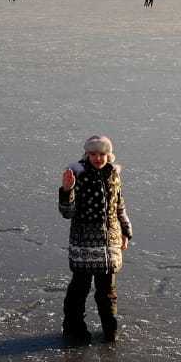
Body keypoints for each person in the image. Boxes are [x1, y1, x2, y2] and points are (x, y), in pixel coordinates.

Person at [58, 135, 133, 344]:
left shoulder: (113, 175)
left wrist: (126, 232)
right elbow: (67, 212)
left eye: (102, 154)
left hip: (109, 245)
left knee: (107, 291)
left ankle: (110, 329)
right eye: (93, 154)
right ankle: (73, 329)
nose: (98, 158)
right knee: (79, 288)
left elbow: (119, 206)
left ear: (108, 155)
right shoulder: (77, 175)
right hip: (84, 243)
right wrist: (67, 190)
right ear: (87, 154)